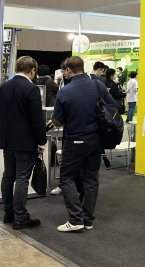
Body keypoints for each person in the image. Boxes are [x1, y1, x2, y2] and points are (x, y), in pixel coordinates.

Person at [49, 56, 116, 232]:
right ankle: (87, 219)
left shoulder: (65, 91)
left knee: (66, 178)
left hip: (74, 141)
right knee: (91, 179)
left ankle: (75, 219)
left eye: (65, 71)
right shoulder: (98, 85)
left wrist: (55, 122)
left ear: (69, 70)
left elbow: (57, 120)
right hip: (95, 140)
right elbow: (111, 106)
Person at [0, 56, 47, 229]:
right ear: (32, 70)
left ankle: (8, 213)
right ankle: (20, 216)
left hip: (7, 139)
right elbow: (36, 119)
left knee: (8, 176)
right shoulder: (31, 89)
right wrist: (41, 141)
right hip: (25, 141)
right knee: (22, 178)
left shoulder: (3, 87)